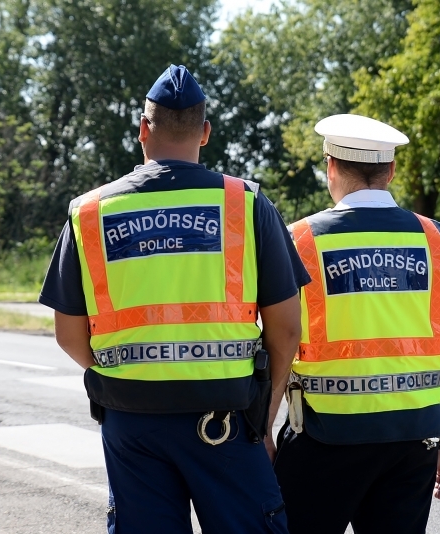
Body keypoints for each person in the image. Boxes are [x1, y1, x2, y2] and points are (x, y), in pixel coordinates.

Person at [39, 64, 310, 533]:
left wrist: (128, 370)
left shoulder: (89, 213)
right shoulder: (244, 204)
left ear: (144, 128)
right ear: (204, 132)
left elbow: (68, 334)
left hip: (131, 424)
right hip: (225, 423)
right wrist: (265, 422)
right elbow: (286, 329)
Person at [273, 113, 440, 534]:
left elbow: (280, 342)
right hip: (412, 443)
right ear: (391, 170)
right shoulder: (437, 241)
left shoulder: (299, 241)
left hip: (324, 438)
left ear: (331, 166)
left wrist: (262, 433)